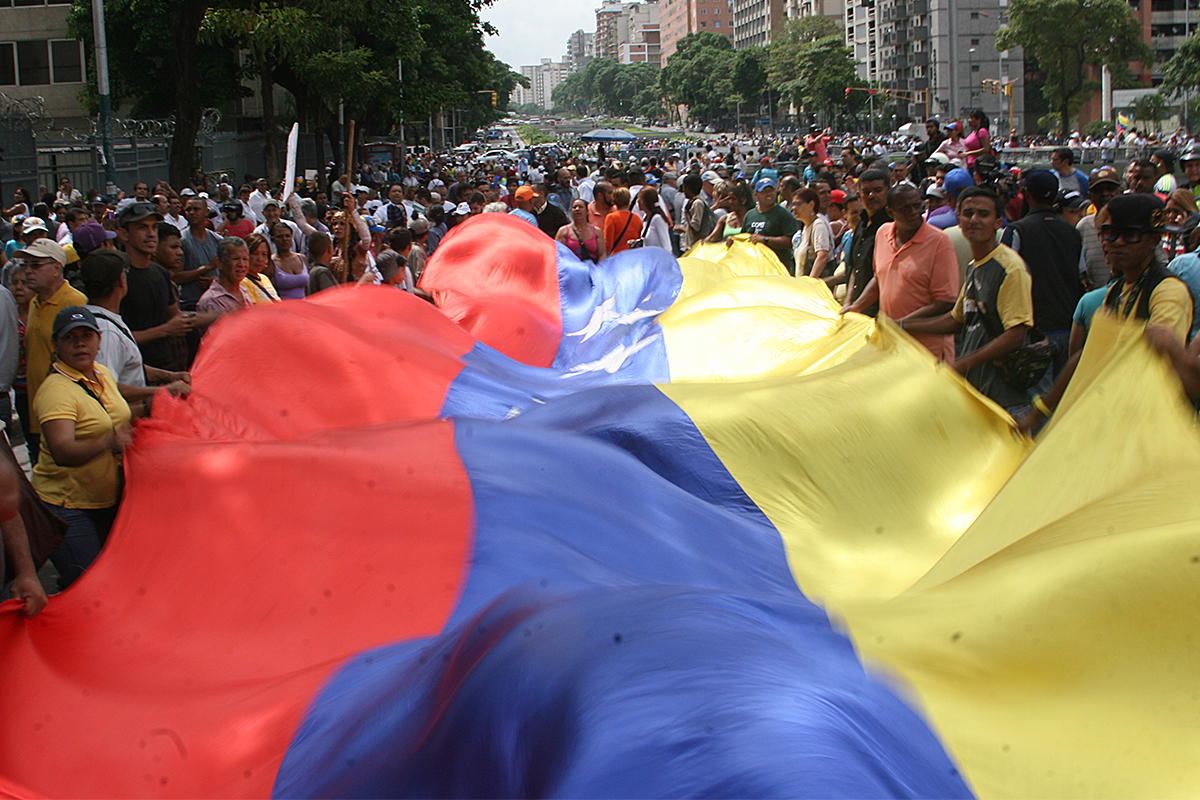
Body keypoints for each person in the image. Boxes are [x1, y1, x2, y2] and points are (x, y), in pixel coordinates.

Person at [1021, 193, 1193, 433]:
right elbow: (1086, 355)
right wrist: (1039, 410)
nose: (1115, 242)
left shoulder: (1167, 291)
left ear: (1153, 240)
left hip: (1146, 427)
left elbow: (1159, 359)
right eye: (1109, 233)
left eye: (1130, 235)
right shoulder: (1116, 291)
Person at [901, 186, 1035, 416]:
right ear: (959, 221)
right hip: (978, 391)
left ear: (998, 223)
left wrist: (963, 364)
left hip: (1005, 398)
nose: (974, 220)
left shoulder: (1010, 268)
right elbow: (956, 320)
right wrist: (902, 325)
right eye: (968, 213)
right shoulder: (975, 266)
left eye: (983, 214)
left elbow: (1016, 334)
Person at [32, 306, 132, 588]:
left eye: (86, 336)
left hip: (103, 499)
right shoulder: (56, 391)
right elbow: (62, 450)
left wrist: (160, 392)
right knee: (90, 585)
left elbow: (117, 401)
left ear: (99, 340)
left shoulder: (99, 373)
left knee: (110, 579)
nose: (79, 344)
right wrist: (109, 443)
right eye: (70, 338)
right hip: (66, 507)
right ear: (56, 345)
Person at [843, 183, 961, 361]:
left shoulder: (939, 242)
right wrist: (857, 306)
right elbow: (880, 278)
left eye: (917, 206)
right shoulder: (882, 234)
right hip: (892, 345)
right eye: (905, 208)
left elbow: (945, 301)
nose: (914, 212)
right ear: (890, 212)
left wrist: (902, 324)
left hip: (927, 350)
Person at [79, 249, 191, 415]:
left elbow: (128, 364)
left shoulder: (99, 318)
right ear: (121, 281)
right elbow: (105, 387)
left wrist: (169, 377)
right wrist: (161, 392)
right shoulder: (106, 331)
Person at [1001, 169, 1083, 386]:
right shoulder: (1072, 232)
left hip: (1034, 329)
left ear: (1026, 193)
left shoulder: (1016, 231)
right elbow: (1083, 276)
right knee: (1061, 397)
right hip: (1068, 324)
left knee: (1038, 400)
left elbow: (1003, 276)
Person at [20, 237, 87, 465]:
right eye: (25, 265)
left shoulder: (75, 303)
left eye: (35, 265)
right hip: (36, 410)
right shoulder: (34, 303)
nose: (28, 271)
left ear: (57, 268)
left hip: (66, 415)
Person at [843, 169, 892, 316]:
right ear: (859, 195)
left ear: (888, 192)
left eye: (878, 190)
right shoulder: (860, 225)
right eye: (866, 192)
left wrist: (856, 306)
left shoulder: (893, 225)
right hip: (859, 311)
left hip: (883, 312)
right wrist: (848, 302)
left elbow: (884, 275)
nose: (872, 196)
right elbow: (854, 269)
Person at [1078, 166, 1122, 288]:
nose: (1105, 194)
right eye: (1099, 190)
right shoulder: (1083, 226)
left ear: (1120, 192)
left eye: (1111, 189)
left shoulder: (1134, 222)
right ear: (1090, 196)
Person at [197, 237, 253, 316]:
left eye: (245, 259)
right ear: (220, 263)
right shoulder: (212, 300)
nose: (242, 264)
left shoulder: (244, 293)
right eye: (235, 258)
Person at [791, 188, 834, 280]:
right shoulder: (806, 227)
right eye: (793, 204)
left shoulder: (818, 225)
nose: (794, 208)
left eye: (798, 204)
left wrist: (810, 282)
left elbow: (823, 256)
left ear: (811, 205)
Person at [266, 222, 309, 300]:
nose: (284, 239)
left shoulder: (302, 258)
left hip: (304, 307)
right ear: (273, 239)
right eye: (279, 236)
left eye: (287, 236)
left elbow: (307, 289)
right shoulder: (270, 263)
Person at [556, 199, 607, 263]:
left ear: (587, 211)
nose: (577, 209)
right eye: (574, 207)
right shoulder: (563, 231)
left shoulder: (597, 231)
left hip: (592, 269)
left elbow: (602, 254)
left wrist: (598, 270)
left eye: (580, 207)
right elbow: (559, 254)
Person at [241, 233, 281, 304]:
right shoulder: (242, 282)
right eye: (255, 253)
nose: (260, 259)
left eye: (264, 254)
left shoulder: (264, 278)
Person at [604, 187, 643, 255]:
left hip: (617, 255)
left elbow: (608, 242)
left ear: (614, 200)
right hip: (633, 255)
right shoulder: (636, 217)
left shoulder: (611, 217)